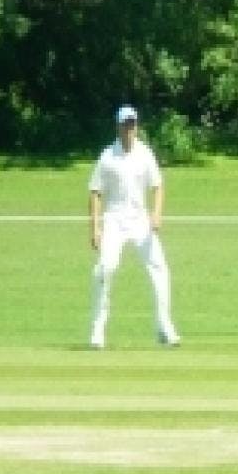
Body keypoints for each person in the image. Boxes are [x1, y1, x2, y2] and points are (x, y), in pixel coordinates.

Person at [86, 105, 180, 349]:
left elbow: (157, 186)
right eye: (125, 124)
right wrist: (95, 228)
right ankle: (97, 329)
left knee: (159, 267)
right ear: (117, 126)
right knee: (105, 268)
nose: (129, 129)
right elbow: (95, 192)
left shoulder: (145, 153)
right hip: (114, 220)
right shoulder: (107, 156)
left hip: (139, 220)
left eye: (133, 124)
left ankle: (164, 326)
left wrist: (156, 214)